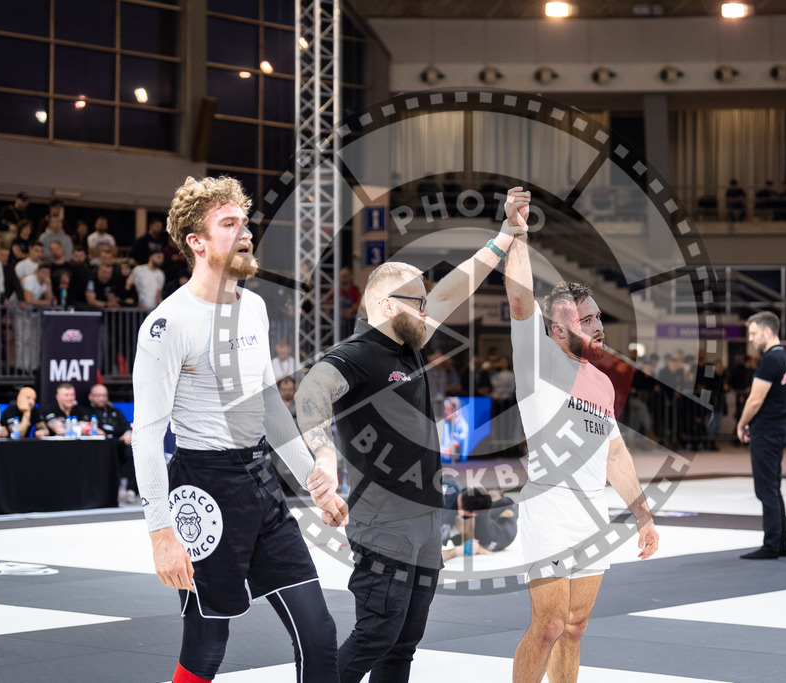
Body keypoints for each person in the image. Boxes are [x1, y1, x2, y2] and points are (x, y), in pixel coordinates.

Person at [294, 187, 530, 683]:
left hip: (424, 520)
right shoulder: (358, 353)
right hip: (383, 522)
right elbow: (312, 392)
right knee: (376, 634)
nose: (427, 310)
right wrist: (322, 456)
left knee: (403, 644)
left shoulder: (409, 346)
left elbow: (454, 288)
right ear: (385, 304)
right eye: (417, 302)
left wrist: (505, 237)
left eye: (425, 301)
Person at [131, 175, 345, 683]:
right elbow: (147, 435)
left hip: (261, 482)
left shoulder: (254, 307)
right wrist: (160, 533)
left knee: (318, 633)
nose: (245, 233)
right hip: (202, 488)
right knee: (207, 646)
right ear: (197, 242)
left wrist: (314, 482)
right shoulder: (168, 323)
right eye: (229, 224)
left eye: (245, 222)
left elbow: (268, 405)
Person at [504, 224, 659, 683]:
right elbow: (520, 298)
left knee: (574, 627)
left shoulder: (602, 382)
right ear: (557, 329)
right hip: (549, 504)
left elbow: (615, 455)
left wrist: (643, 515)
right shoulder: (539, 360)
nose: (598, 326)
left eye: (597, 317)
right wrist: (516, 234)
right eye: (585, 320)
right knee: (549, 625)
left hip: (592, 508)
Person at [735, 311, 786, 560]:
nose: (751, 339)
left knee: (766, 489)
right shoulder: (784, 358)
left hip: (767, 430)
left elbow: (755, 399)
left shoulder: (770, 360)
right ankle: (780, 543)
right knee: (773, 488)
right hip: (778, 426)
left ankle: (771, 545)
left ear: (767, 331)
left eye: (753, 333)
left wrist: (742, 423)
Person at [85, 382, 136, 500]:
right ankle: (110, 492)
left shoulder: (115, 411)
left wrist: (128, 433)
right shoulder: (86, 412)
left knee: (132, 450)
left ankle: (131, 490)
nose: (101, 398)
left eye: (104, 395)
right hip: (101, 447)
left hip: (119, 444)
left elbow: (126, 427)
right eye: (98, 395)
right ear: (90, 397)